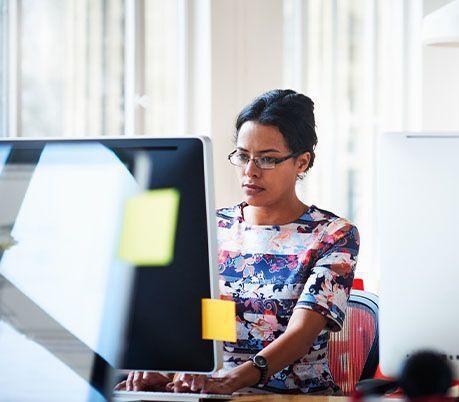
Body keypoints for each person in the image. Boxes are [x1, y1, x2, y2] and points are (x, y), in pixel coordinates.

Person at [116, 89, 360, 395]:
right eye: (243, 156)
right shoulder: (214, 226)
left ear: (301, 162)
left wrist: (235, 380)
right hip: (216, 393)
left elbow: (302, 333)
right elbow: (208, 322)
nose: (249, 172)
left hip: (295, 397)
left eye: (267, 160)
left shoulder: (333, 235)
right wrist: (168, 371)